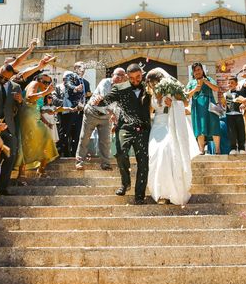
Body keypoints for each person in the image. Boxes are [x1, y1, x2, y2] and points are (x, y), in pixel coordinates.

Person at [92, 64, 151, 204]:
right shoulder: (119, 88)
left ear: (141, 74)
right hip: (125, 127)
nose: (135, 80)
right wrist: (99, 100)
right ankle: (125, 183)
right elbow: (106, 101)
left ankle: (139, 195)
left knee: (143, 162)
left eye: (138, 77)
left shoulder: (149, 88)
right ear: (126, 77)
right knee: (120, 153)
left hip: (143, 129)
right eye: (131, 78)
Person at [145, 68, 199, 205]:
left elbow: (186, 104)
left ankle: (170, 191)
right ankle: (159, 192)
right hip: (156, 127)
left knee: (167, 153)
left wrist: (173, 104)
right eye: (150, 84)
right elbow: (149, 112)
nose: (152, 86)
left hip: (169, 125)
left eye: (153, 83)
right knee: (155, 155)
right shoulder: (150, 95)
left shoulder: (172, 90)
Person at [75, 67, 126, 170]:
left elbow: (120, 105)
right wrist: (112, 113)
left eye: (122, 76)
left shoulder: (123, 88)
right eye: (118, 75)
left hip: (106, 117)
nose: (120, 78)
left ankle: (105, 163)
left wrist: (115, 120)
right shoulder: (105, 82)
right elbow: (104, 98)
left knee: (106, 141)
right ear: (112, 75)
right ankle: (79, 161)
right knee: (84, 138)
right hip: (91, 113)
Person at [0, 63, 23, 194]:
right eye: (1, 76)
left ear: (11, 77)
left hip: (9, 128)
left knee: (10, 158)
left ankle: (2, 188)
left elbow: (19, 110)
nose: (3, 80)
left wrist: (20, 101)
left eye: (6, 79)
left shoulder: (16, 87)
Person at [17, 72, 59, 176]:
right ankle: (24, 172)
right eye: (44, 82)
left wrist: (45, 113)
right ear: (38, 80)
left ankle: (40, 169)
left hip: (34, 116)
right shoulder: (34, 83)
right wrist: (46, 92)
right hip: (28, 116)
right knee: (29, 142)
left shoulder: (40, 89)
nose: (46, 84)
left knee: (44, 140)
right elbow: (30, 98)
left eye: (48, 83)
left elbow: (37, 105)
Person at [186, 62, 221, 155]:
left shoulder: (209, 79)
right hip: (197, 108)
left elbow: (217, 89)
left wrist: (206, 82)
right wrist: (195, 90)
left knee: (214, 126)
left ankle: (217, 150)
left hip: (210, 106)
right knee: (199, 128)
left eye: (198, 69)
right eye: (195, 71)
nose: (197, 72)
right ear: (192, 73)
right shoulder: (191, 83)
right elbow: (186, 96)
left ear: (202, 70)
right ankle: (201, 150)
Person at [60, 62, 91, 157]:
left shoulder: (86, 82)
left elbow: (86, 96)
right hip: (69, 111)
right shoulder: (70, 78)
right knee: (66, 132)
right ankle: (65, 154)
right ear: (75, 68)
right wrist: (75, 88)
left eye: (84, 67)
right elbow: (68, 85)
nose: (83, 69)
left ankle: (75, 154)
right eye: (80, 67)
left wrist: (89, 95)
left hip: (81, 112)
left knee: (78, 134)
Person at [223, 76, 246, 155]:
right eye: (229, 83)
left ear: (236, 84)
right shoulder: (225, 94)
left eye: (232, 83)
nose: (230, 84)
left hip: (239, 114)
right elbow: (223, 104)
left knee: (241, 131)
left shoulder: (240, 93)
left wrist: (243, 104)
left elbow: (244, 102)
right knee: (231, 132)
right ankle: (233, 148)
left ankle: (241, 147)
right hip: (229, 115)